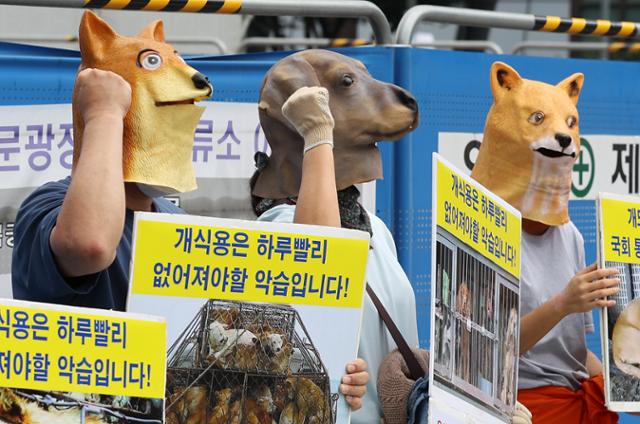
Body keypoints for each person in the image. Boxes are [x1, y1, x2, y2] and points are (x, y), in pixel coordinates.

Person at [12, 13, 367, 409]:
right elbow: (91, 244)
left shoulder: (174, 226)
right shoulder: (48, 209)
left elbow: (310, 279)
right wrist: (105, 115)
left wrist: (333, 375)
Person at [249, 49, 420, 421]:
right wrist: (317, 133)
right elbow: (320, 262)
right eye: (347, 85)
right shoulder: (276, 229)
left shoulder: (376, 230)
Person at [471, 61, 620, 423]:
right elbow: (482, 354)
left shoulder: (570, 234)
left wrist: (620, 382)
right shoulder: (481, 230)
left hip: (576, 401)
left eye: (570, 123)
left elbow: (573, 357)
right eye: (538, 119)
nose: (563, 135)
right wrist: (564, 303)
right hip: (518, 406)